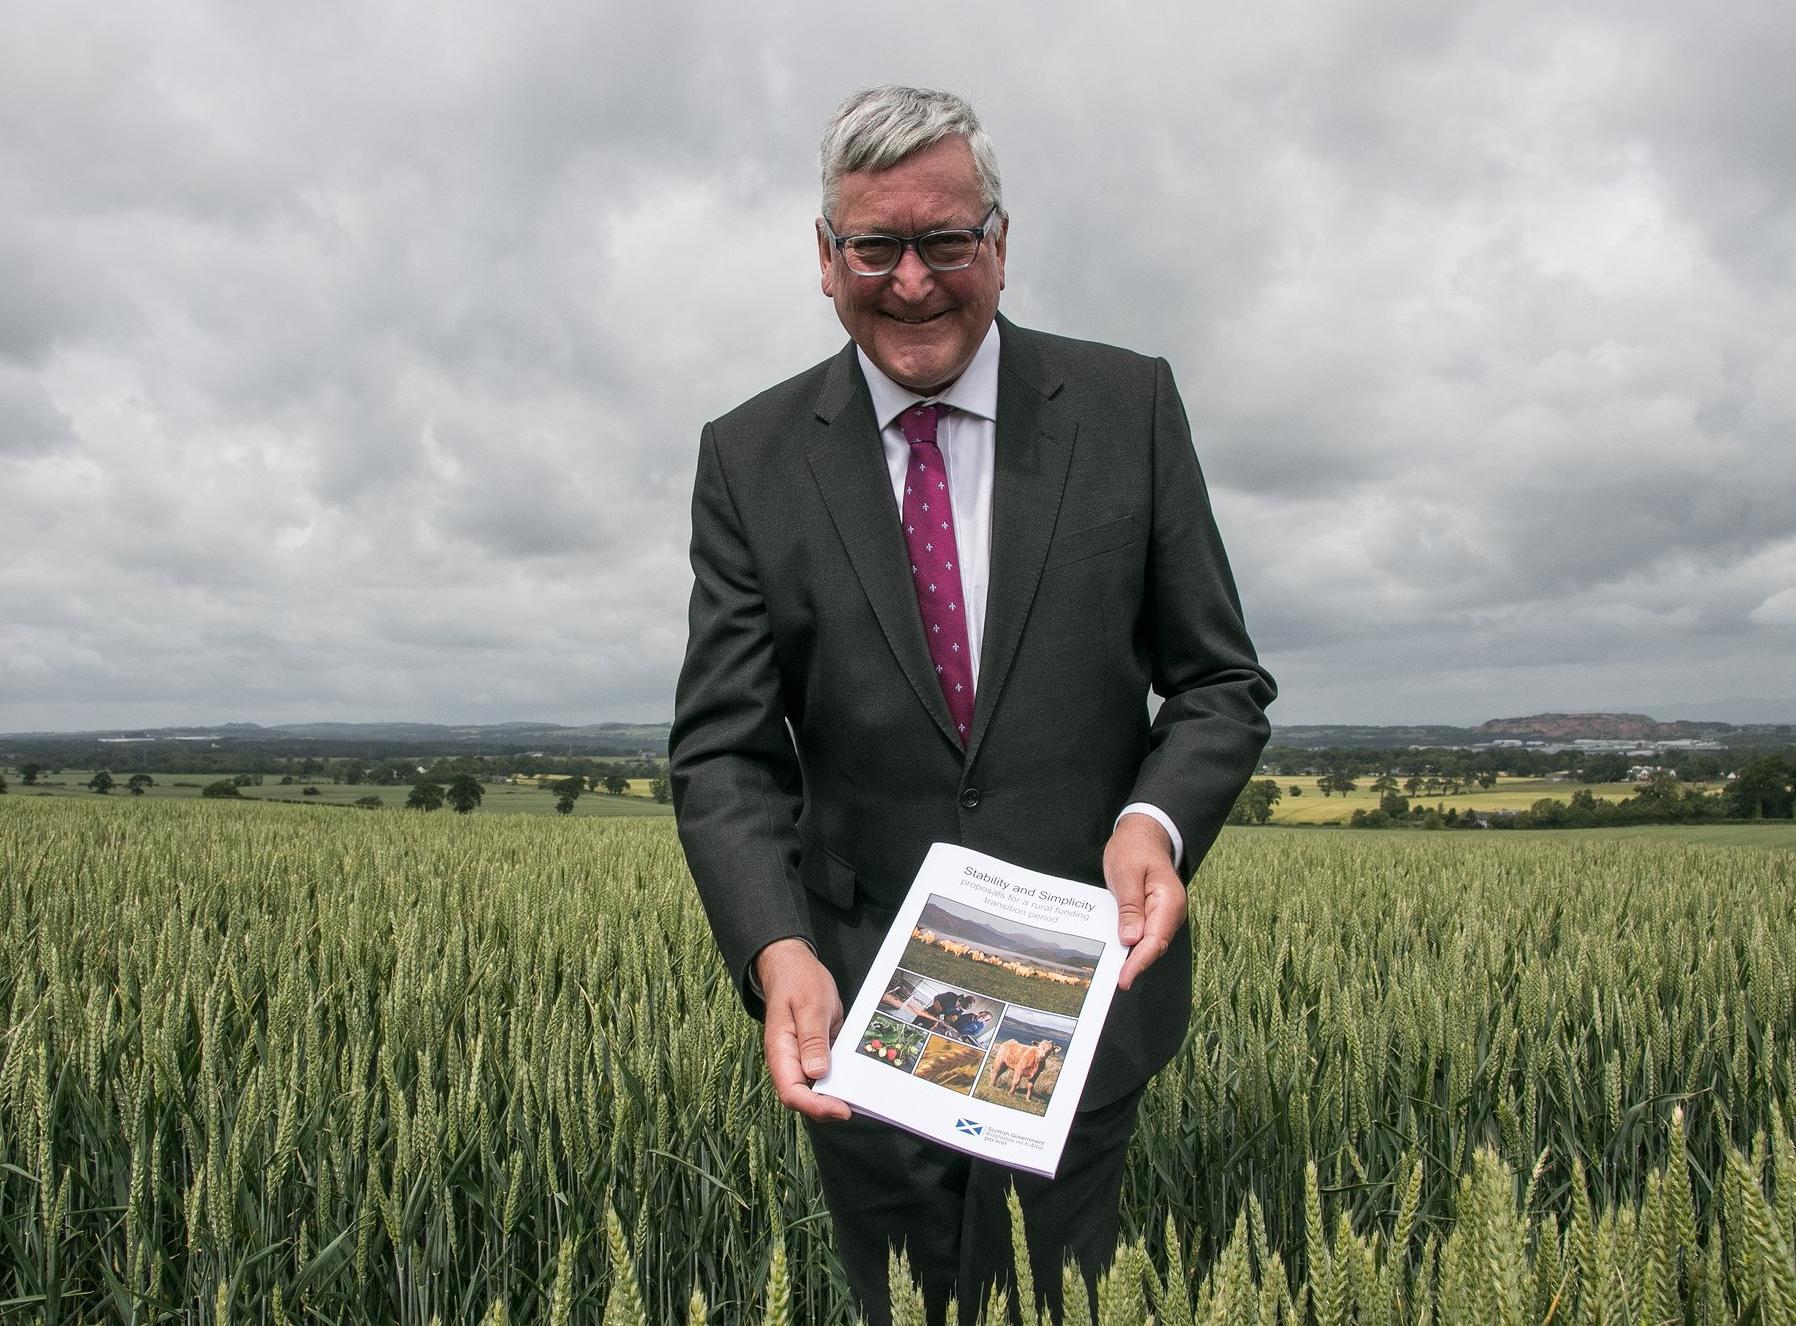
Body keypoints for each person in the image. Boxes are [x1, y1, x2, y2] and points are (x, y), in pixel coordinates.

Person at [670, 85, 1274, 1325]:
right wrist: (778, 948)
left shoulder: (1127, 409)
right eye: (873, 247)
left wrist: (1151, 826)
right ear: (824, 260)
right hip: (858, 1012)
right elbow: (727, 749)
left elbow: (1217, 682)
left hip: (1083, 1002)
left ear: (998, 243)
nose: (910, 282)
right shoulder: (749, 456)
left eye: (944, 242)